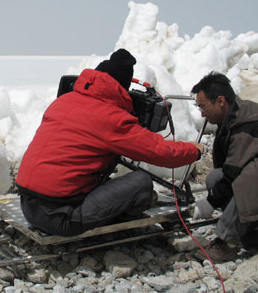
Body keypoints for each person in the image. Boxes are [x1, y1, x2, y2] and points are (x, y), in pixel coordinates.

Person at [15, 48, 204, 237]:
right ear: (121, 88)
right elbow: (160, 152)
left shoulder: (63, 101)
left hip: (28, 205)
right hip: (61, 218)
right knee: (141, 183)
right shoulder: (112, 118)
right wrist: (194, 151)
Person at [191, 71, 258, 262]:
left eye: (203, 106)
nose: (201, 113)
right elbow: (224, 173)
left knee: (247, 178)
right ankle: (252, 232)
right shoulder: (231, 120)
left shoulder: (247, 124)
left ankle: (226, 243)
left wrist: (210, 202)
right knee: (214, 178)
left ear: (220, 101)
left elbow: (233, 173)